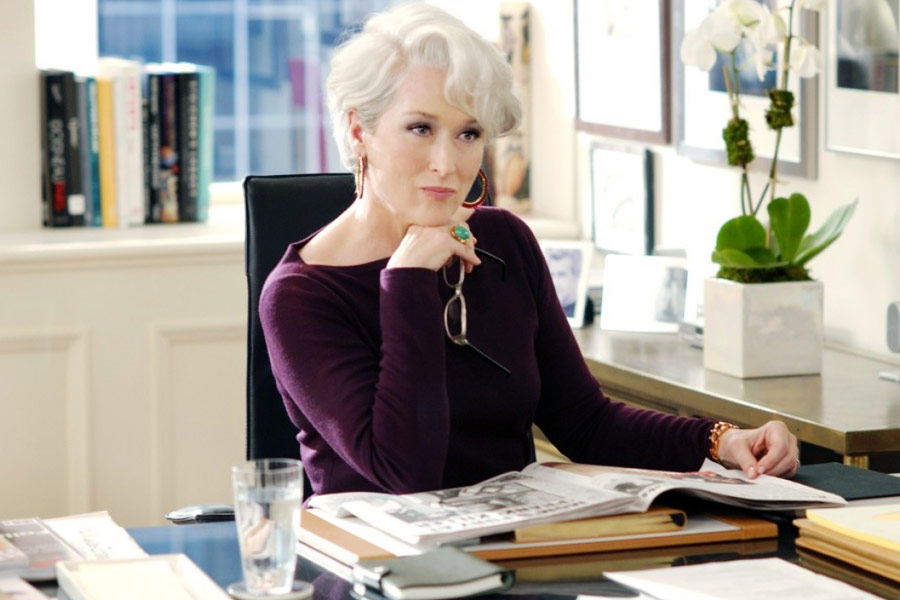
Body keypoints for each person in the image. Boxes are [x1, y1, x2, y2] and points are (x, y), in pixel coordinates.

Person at [259, 3, 799, 500]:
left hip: (515, 546)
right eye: (420, 128)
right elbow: (406, 472)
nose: (446, 162)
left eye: (468, 134)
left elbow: (585, 421)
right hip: (377, 559)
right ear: (359, 130)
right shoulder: (299, 296)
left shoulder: (505, 242)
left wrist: (720, 439)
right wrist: (406, 282)